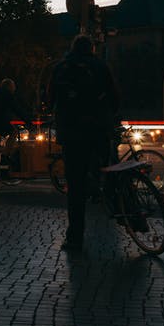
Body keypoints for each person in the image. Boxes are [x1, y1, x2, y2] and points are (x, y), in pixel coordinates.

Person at [48, 35, 119, 252]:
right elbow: (115, 96)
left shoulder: (62, 67)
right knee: (108, 170)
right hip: (98, 130)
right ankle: (123, 208)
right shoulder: (100, 66)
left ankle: (75, 237)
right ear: (92, 49)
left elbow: (51, 99)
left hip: (72, 134)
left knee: (75, 186)